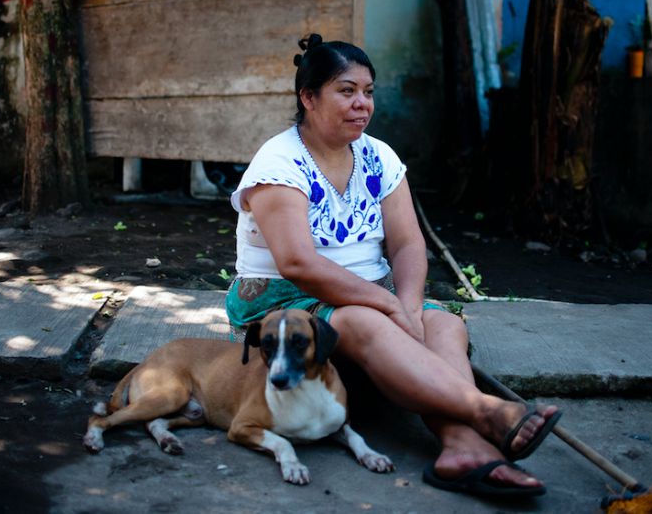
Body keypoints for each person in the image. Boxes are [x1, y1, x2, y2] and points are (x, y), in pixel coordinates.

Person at [225, 34, 560, 498]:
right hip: (288, 304)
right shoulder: (279, 161)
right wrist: (387, 305)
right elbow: (298, 263)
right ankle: (486, 411)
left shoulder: (378, 156)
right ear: (308, 98)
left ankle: (461, 446)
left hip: (368, 294)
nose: (362, 104)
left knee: (443, 325)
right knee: (368, 321)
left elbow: (406, 244)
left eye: (368, 92)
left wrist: (409, 307)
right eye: (346, 91)